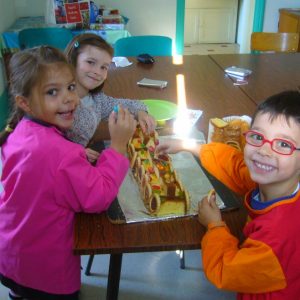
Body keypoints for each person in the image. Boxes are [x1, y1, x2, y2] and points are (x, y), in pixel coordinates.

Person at [0, 46, 137, 300]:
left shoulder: (20, 129)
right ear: (24, 102)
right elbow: (99, 196)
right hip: (47, 268)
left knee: (20, 291)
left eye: (71, 87)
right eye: (53, 92)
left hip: (11, 251)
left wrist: (72, 156)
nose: (69, 99)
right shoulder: (62, 156)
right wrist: (118, 146)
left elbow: (41, 167)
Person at [156, 90, 300, 299]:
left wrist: (214, 226)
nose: (264, 151)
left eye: (284, 144)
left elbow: (225, 269)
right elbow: (234, 165)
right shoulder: (274, 179)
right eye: (258, 137)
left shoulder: (278, 238)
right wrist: (189, 146)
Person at [64, 33, 156, 163]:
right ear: (73, 60)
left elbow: (124, 105)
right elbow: (46, 140)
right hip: (63, 166)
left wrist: (141, 112)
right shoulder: (59, 102)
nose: (97, 71)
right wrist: (74, 152)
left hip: (84, 160)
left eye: (103, 67)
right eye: (91, 62)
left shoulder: (97, 100)